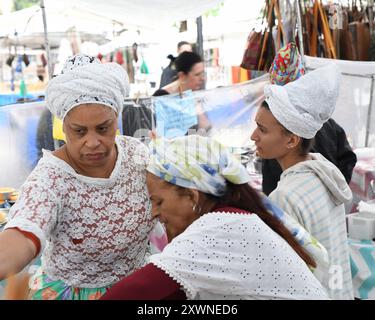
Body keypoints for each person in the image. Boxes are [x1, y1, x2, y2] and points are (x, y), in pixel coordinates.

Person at [0, 54, 154, 300]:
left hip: (137, 287)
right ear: (64, 126)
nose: (92, 142)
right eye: (79, 131)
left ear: (117, 118)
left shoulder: (137, 155)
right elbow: (24, 232)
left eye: (103, 128)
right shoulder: (50, 177)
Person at [101, 135, 329, 300]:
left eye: (158, 201)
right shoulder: (234, 218)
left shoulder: (217, 229)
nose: (154, 213)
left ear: (192, 196)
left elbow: (132, 293)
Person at [251, 64, 354, 299]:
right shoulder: (325, 173)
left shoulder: (285, 196)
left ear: (291, 140)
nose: (253, 136)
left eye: (262, 130)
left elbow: (285, 278)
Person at [261, 42, 357, 195]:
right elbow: (348, 158)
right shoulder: (325, 121)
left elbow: (273, 194)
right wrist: (334, 187)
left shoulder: (280, 129)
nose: (255, 136)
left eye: (261, 130)